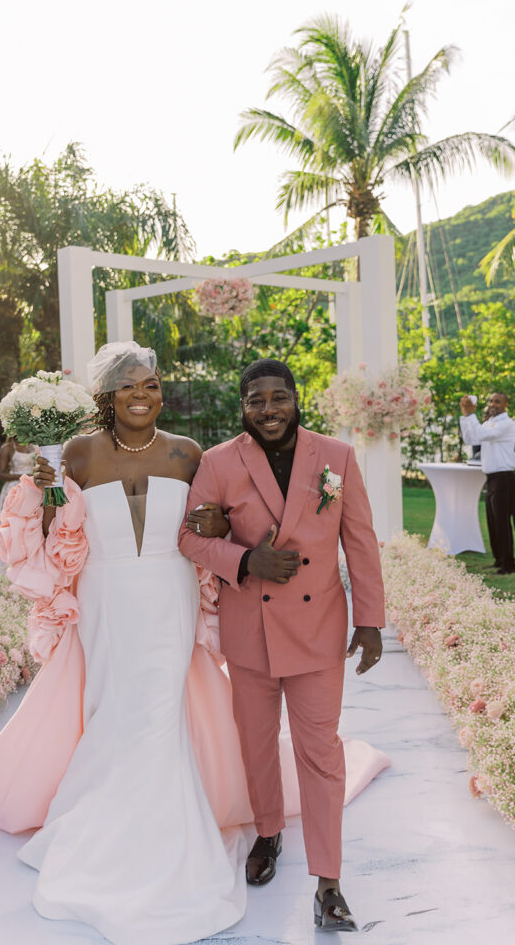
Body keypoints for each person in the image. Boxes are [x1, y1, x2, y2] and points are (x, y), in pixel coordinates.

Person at [0, 344, 389, 943]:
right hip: (107, 600)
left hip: (171, 599)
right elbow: (54, 530)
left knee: (161, 713)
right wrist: (41, 489)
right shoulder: (76, 453)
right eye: (129, 387)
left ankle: (265, 859)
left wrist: (225, 533)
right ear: (107, 397)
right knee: (113, 711)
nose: (142, 395)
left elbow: (210, 522)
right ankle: (108, 826)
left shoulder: (188, 453)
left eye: (151, 385)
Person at [178, 358, 385, 933]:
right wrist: (245, 559)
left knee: (321, 752)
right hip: (250, 632)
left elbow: (360, 541)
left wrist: (370, 621)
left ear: (296, 398)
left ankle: (329, 883)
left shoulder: (336, 458)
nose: (268, 410)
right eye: (255, 401)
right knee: (258, 744)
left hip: (318, 630)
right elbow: (188, 536)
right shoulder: (219, 462)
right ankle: (268, 831)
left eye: (278, 398)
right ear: (242, 407)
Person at [460, 392, 515, 574]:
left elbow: (481, 434)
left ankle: (509, 564)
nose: (493, 404)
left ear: (505, 404)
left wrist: (471, 415)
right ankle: (499, 559)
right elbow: (470, 439)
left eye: (497, 401)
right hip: (492, 477)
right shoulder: (489, 423)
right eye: (491, 401)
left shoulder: (507, 424)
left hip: (504, 477)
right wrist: (465, 415)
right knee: (492, 521)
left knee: (502, 521)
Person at [0, 438, 35, 576]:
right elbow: (0, 473)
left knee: (29, 528)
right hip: (14, 490)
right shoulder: (8, 448)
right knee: (10, 527)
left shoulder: (35, 445)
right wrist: (24, 476)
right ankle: (5, 567)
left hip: (33, 490)